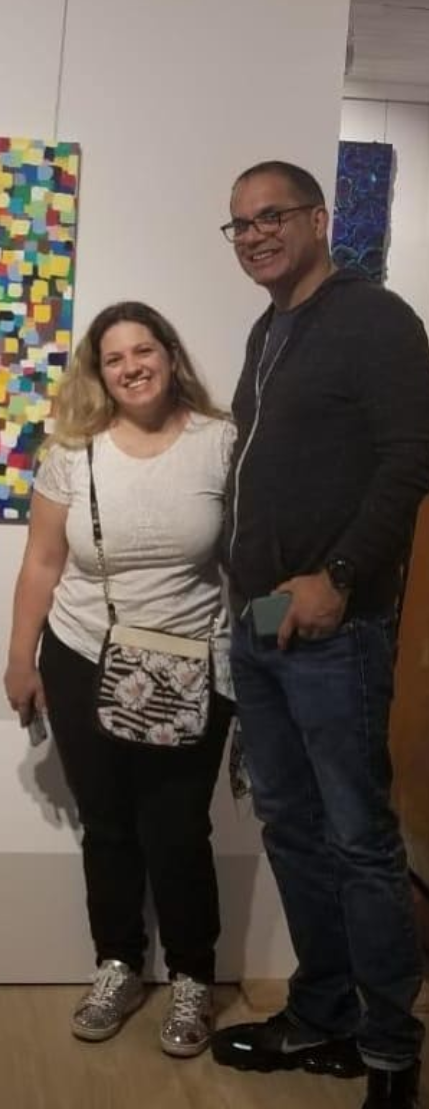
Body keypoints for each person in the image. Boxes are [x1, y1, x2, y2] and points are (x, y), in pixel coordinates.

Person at [210, 161, 429, 1109]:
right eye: (240, 224)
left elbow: (412, 457)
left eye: (272, 216)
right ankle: (324, 1012)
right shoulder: (269, 330)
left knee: (358, 840)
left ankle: (390, 1050)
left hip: (337, 625)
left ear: (318, 218)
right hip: (260, 622)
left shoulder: (374, 318)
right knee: (292, 828)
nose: (256, 235)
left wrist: (339, 576)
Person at [4, 301, 235, 1057]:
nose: (132, 367)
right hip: (82, 657)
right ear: (98, 373)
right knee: (106, 824)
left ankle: (193, 977)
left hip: (192, 665)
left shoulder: (221, 442)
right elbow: (42, 560)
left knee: (178, 828)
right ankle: (118, 965)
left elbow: (249, 555)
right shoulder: (74, 451)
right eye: (114, 358)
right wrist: (20, 657)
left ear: (169, 354)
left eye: (144, 351)